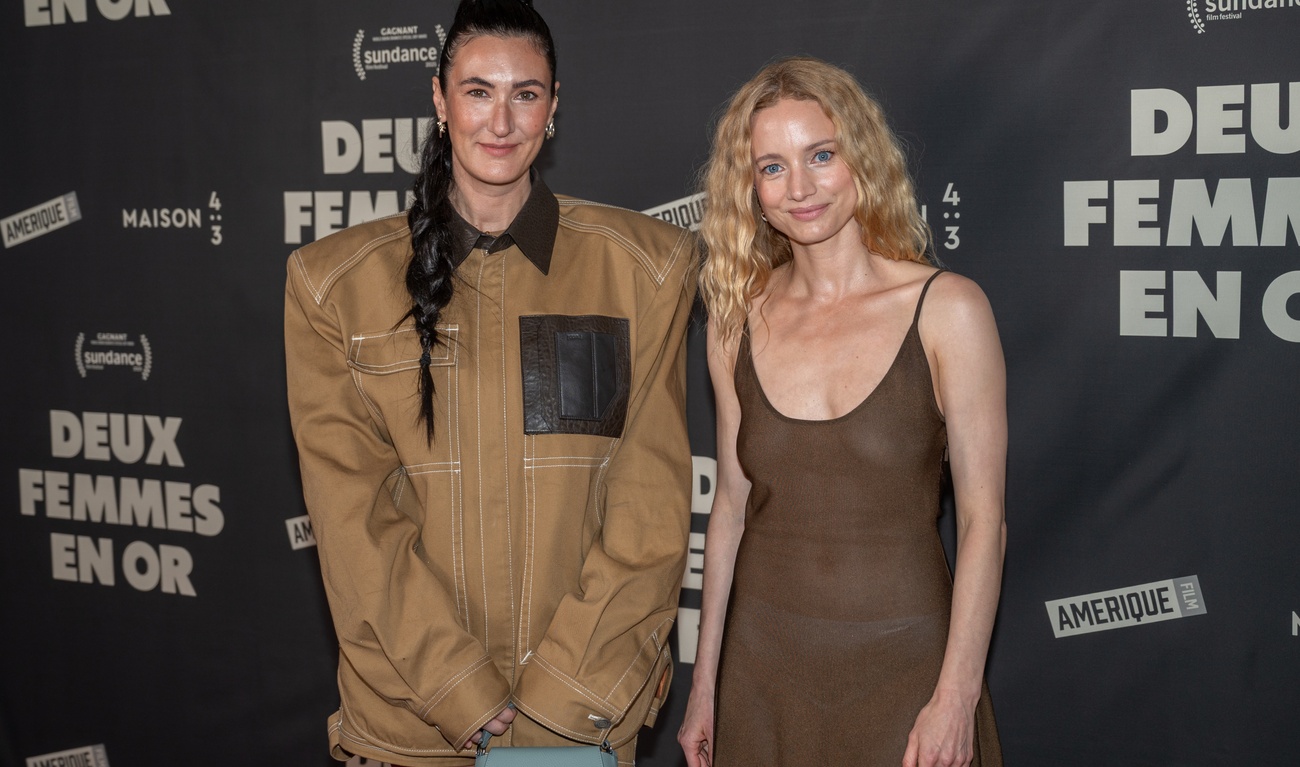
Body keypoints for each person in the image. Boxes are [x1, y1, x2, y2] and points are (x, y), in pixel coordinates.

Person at [284, 2, 696, 765]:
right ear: (440, 101)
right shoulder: (331, 285)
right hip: (409, 723)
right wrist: (456, 686)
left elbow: (650, 512)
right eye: (478, 91)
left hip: (583, 719)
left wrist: (559, 711)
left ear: (555, 105)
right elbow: (353, 522)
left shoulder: (646, 269)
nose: (501, 120)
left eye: (525, 93)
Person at [677, 57, 1006, 767]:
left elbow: (985, 522)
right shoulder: (736, 320)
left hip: (909, 672)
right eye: (772, 167)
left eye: (820, 155)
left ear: (860, 157)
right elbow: (729, 511)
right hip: (762, 674)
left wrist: (956, 695)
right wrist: (704, 686)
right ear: (750, 189)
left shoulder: (949, 310)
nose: (800, 187)